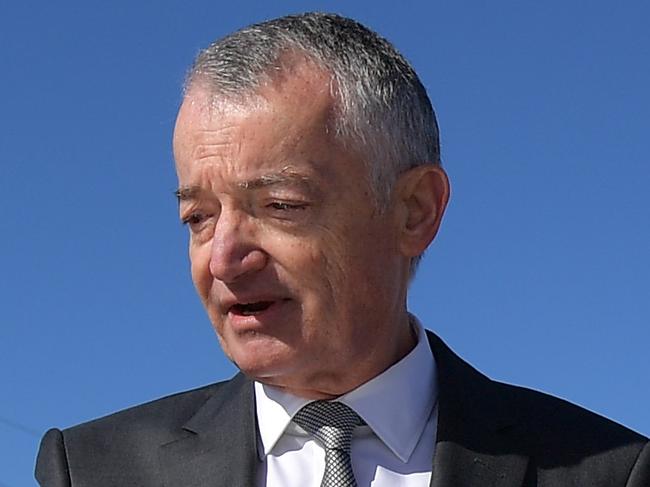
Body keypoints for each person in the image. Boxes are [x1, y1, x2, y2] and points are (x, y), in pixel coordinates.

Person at [35, 12, 648, 487]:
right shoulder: (90, 469)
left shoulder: (604, 470)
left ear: (415, 211)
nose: (222, 259)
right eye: (198, 216)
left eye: (280, 206)